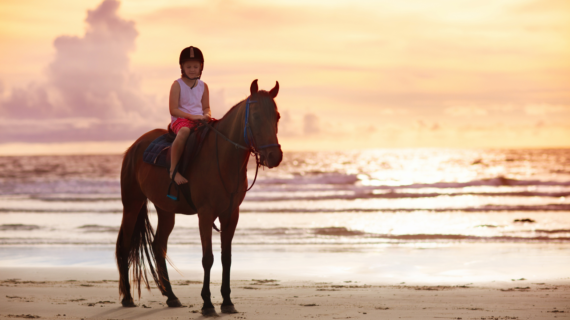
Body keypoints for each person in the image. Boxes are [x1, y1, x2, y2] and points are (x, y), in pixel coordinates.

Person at [169, 46, 211, 185]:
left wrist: (207, 115)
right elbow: (173, 110)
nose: (192, 69)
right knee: (184, 132)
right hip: (181, 120)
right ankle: (173, 170)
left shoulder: (203, 86)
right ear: (182, 67)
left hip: (199, 119)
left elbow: (206, 107)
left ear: (201, 67)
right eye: (189, 66)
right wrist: (192, 117)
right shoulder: (177, 85)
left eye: (195, 66)